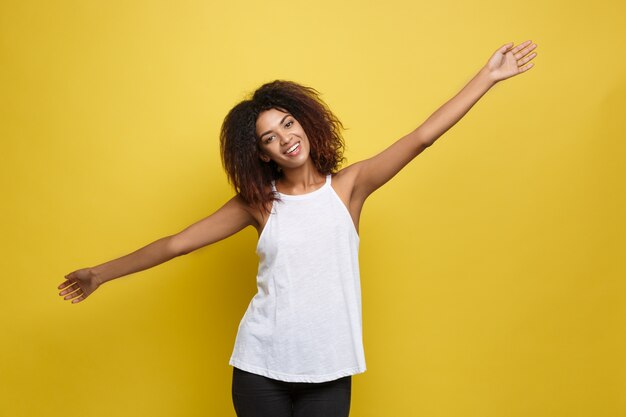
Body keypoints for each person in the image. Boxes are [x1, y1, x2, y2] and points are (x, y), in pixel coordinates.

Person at [57, 40, 538, 417]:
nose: (286, 139)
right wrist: (100, 273)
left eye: (289, 124)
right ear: (261, 153)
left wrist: (488, 77)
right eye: (270, 137)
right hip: (260, 367)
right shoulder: (260, 204)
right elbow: (177, 244)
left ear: (305, 124)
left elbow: (422, 137)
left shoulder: (349, 188)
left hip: (329, 370)